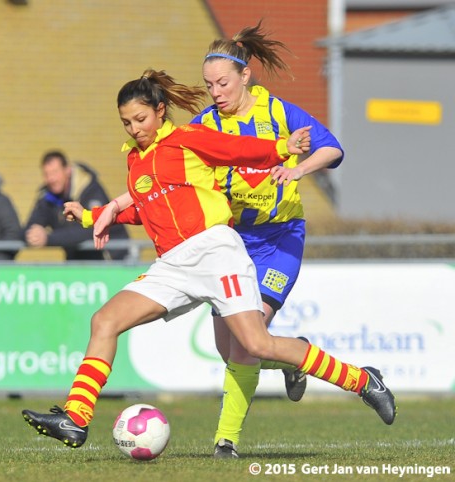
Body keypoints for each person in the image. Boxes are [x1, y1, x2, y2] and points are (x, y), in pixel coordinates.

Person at [20, 69, 395, 450]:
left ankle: (363, 381)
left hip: (216, 253)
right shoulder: (136, 161)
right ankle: (75, 418)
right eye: (126, 122)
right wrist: (90, 215)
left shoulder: (186, 139)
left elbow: (237, 150)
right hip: (172, 265)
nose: (134, 129)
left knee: (257, 345)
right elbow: (149, 210)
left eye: (140, 119)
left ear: (161, 111)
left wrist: (283, 149)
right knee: (104, 320)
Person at [91, 23, 346, 459]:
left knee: (252, 339)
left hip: (280, 235)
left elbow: (332, 149)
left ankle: (225, 441)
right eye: (209, 85)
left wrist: (298, 168)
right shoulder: (206, 123)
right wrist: (114, 205)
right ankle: (293, 357)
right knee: (232, 347)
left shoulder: (277, 112)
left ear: (245, 76)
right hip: (232, 240)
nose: (215, 92)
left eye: (222, 82)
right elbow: (166, 178)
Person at [24, 150, 130, 260]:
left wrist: (48, 238)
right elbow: (30, 226)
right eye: (46, 174)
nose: (51, 179)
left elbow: (92, 229)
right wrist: (33, 235)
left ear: (68, 170)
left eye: (55, 172)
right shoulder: (47, 196)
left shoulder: (90, 189)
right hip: (77, 262)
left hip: (112, 259)